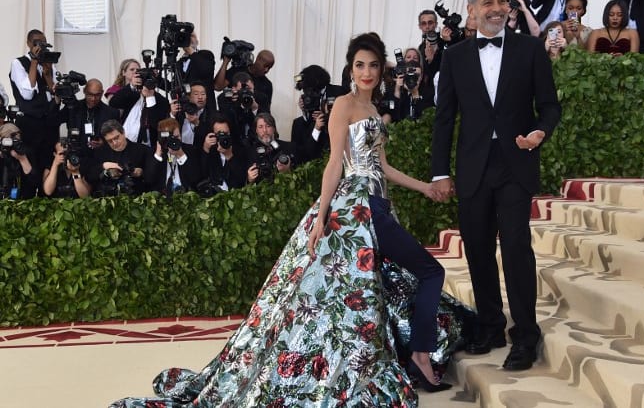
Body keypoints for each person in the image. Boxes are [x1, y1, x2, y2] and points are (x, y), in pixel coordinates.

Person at [110, 33, 475, 408]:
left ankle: (412, 351)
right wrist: (321, 216)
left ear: (382, 69)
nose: (366, 72)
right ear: (351, 69)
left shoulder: (373, 110)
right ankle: (413, 354)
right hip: (356, 210)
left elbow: (382, 166)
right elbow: (336, 163)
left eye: (373, 65)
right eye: (359, 65)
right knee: (413, 276)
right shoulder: (344, 107)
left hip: (379, 206)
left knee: (407, 280)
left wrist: (424, 188)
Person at [432, 0, 561, 371]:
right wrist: (439, 171)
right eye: (488, 2)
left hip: (515, 162)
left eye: (502, 1)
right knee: (477, 249)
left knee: (517, 246)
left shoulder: (529, 50)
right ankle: (490, 325)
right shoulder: (454, 57)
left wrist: (541, 132)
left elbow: (550, 106)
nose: (497, 8)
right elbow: (444, 119)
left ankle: (525, 334)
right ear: (472, 10)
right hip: (473, 165)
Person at [9, 29, 61, 166]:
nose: (40, 46)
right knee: (31, 165)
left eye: (43, 43)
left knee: (48, 164)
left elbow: (54, 91)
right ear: (28, 43)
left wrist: (48, 72)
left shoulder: (49, 63)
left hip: (49, 123)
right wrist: (33, 62)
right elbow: (27, 94)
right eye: (36, 43)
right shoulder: (18, 63)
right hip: (29, 124)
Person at [59, 78, 120, 158]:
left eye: (97, 95)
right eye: (90, 94)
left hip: (101, 158)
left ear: (102, 93)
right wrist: (57, 98)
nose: (93, 99)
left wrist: (104, 143)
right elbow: (53, 120)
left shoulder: (112, 113)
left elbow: (117, 138)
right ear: (84, 91)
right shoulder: (73, 108)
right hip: (76, 157)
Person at [87, 120, 150, 197]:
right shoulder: (100, 152)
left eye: (116, 138)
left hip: (135, 197)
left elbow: (153, 178)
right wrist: (104, 166)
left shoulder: (142, 150)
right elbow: (89, 177)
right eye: (109, 141)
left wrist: (141, 172)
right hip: (107, 197)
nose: (114, 143)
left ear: (123, 132)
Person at [145, 117, 202, 194]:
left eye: (177, 137)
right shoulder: (153, 152)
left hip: (186, 195)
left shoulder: (190, 150)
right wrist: (158, 156)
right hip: (162, 197)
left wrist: (181, 155)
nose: (174, 141)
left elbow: (195, 179)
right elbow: (149, 180)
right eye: (171, 138)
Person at [246, 112, 298, 183]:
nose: (265, 130)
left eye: (268, 126)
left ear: (274, 128)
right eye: (260, 127)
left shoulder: (289, 147)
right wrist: (250, 179)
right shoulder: (250, 153)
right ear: (256, 130)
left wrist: (288, 170)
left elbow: (298, 176)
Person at [176, 33, 217, 111]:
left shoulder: (206, 55)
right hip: (185, 109)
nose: (189, 38)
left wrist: (191, 51)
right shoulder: (179, 62)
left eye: (192, 36)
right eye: (187, 36)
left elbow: (206, 70)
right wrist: (156, 79)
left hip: (205, 109)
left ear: (197, 41)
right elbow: (175, 85)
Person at [0, 123, 40, 199]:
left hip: (24, 198)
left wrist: (22, 159)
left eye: (16, 139)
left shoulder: (27, 152)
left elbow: (35, 182)